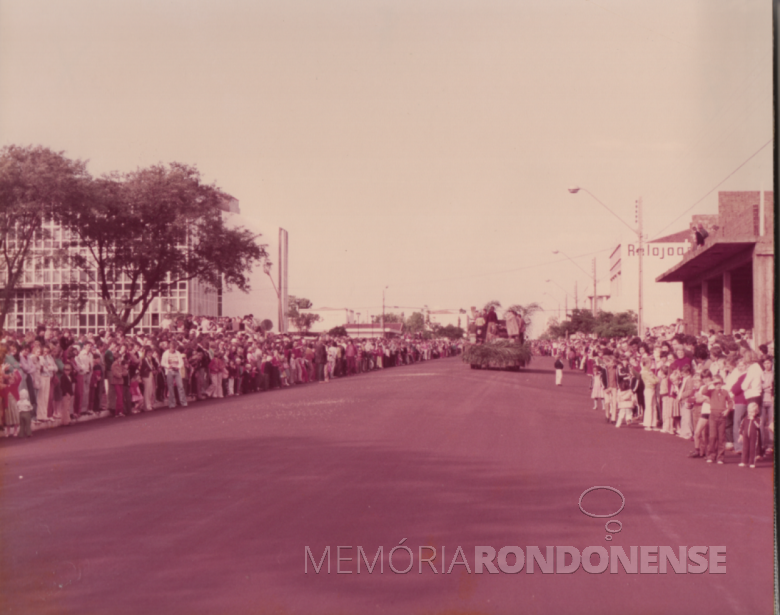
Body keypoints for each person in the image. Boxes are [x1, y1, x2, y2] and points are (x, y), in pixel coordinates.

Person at [706, 376, 733, 464]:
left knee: (721, 437)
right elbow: (703, 391)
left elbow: (730, 402)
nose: (718, 385)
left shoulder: (725, 392)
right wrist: (711, 382)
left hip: (722, 416)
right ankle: (711, 455)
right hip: (713, 415)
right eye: (716, 383)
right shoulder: (711, 391)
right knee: (712, 437)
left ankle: (720, 457)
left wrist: (727, 410)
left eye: (719, 383)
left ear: (722, 384)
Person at [161, 343, 188, 409]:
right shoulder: (165, 353)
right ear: (169, 348)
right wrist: (168, 366)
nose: (173, 349)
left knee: (180, 386)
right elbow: (162, 363)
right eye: (172, 348)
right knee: (171, 387)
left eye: (174, 348)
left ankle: (183, 402)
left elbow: (181, 362)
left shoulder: (178, 353)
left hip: (177, 371)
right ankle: (172, 403)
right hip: (169, 371)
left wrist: (178, 367)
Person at [738, 403, 762, 468]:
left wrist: (753, 420)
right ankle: (744, 461)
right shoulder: (745, 419)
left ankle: (752, 462)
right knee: (745, 448)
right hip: (746, 436)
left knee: (752, 449)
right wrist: (740, 435)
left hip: (754, 436)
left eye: (752, 412)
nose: (750, 413)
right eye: (749, 412)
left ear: (756, 412)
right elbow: (741, 427)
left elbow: (758, 426)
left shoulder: (757, 419)